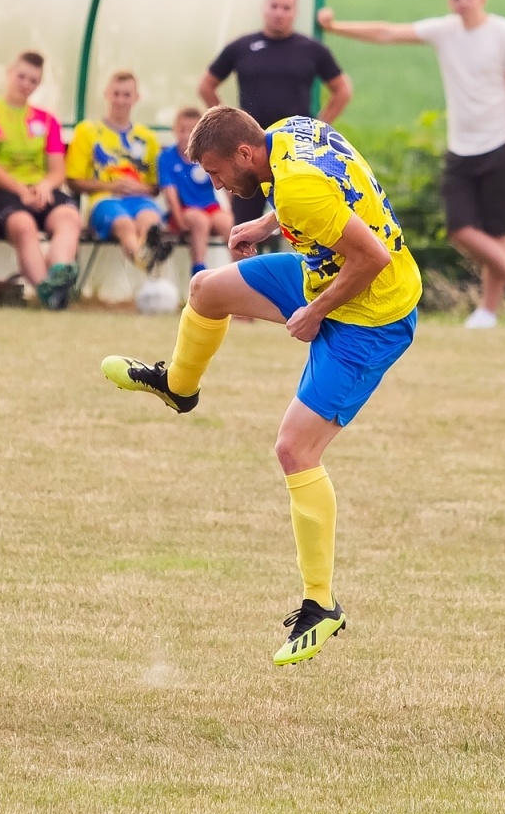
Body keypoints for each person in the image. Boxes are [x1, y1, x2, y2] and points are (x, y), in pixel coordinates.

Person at [102, 109, 421, 667]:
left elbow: (372, 256)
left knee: (294, 449)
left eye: (219, 172)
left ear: (246, 155)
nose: (219, 184)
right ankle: (179, 387)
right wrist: (266, 225)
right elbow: (326, 190)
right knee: (205, 289)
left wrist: (314, 313)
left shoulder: (296, 188)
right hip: (323, 272)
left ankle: (322, 605)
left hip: (371, 315)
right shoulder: (289, 133)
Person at [318, 0, 505, 329]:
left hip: (500, 143)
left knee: (496, 233)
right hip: (461, 146)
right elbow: (387, 32)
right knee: (460, 228)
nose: (463, 2)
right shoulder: (445, 32)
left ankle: (490, 311)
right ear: (449, 1)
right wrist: (335, 27)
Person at [200, 0, 352, 230]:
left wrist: (318, 127)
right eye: (274, 6)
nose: (279, 12)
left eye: (286, 8)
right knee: (244, 223)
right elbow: (206, 85)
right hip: (247, 149)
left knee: (302, 216)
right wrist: (226, 126)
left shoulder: (312, 50)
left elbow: (342, 90)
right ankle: (239, 268)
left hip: (295, 150)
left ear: (295, 12)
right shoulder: (242, 47)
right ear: (264, 8)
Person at [0, 51, 81, 309]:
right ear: (9, 73)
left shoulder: (47, 119)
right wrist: (21, 190)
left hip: (40, 190)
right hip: (0, 190)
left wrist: (44, 186)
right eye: (22, 76)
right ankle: (48, 290)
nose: (26, 84)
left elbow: (57, 170)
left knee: (70, 217)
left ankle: (59, 274)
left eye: (33, 80)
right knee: (24, 225)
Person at [66, 70, 162, 270]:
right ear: (106, 94)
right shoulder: (87, 131)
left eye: (126, 95)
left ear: (136, 98)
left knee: (151, 222)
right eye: (116, 94)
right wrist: (111, 185)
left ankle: (148, 265)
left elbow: (155, 186)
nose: (120, 100)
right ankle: (145, 262)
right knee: (124, 224)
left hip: (139, 200)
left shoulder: (148, 138)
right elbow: (73, 181)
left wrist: (137, 188)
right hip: (103, 200)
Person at [158, 107, 231, 277]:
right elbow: (170, 192)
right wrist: (178, 218)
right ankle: (199, 272)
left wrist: (233, 211)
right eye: (182, 130)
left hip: (210, 208)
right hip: (185, 210)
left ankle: (243, 272)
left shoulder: (210, 154)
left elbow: (226, 184)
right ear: (174, 130)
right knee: (200, 221)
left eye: (191, 131)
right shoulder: (167, 157)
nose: (186, 135)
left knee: (229, 223)